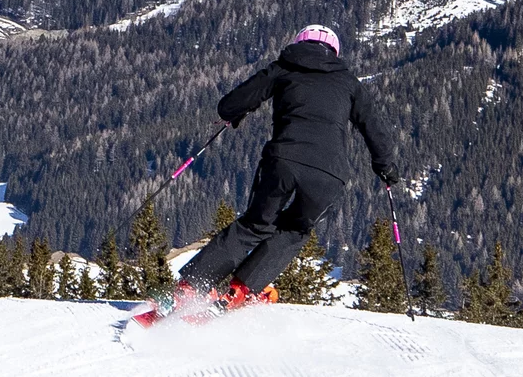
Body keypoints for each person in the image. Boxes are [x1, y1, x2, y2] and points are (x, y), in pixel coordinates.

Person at [171, 25, 398, 314]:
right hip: (329, 175)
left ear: (298, 44)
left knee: (255, 225)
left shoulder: (283, 69)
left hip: (285, 161)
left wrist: (234, 114)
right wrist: (385, 168)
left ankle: (190, 288)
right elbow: (374, 129)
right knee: (295, 230)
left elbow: (231, 104)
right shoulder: (349, 82)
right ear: (335, 52)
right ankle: (238, 292)